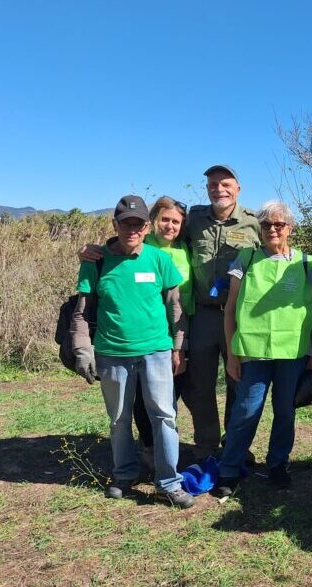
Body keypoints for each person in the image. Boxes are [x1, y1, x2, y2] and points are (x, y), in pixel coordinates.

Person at [79, 165, 260, 460]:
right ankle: (206, 446)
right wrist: (95, 249)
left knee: (239, 380)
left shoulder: (254, 223)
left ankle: (235, 445)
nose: (219, 189)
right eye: (213, 184)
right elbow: (141, 237)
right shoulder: (196, 219)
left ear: (238, 188)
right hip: (200, 315)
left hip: (240, 316)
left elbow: (272, 253)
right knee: (200, 385)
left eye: (225, 184)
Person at [71, 195, 194, 508]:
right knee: (119, 419)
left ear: (146, 226)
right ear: (115, 224)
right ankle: (124, 475)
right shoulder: (96, 262)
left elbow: (175, 308)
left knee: (164, 416)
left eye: (137, 224)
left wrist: (178, 346)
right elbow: (82, 312)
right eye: (125, 223)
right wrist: (82, 349)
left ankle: (169, 482)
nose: (132, 229)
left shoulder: (159, 260)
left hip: (156, 351)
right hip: (112, 353)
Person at [213, 201, 312, 495]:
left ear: (290, 228)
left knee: (285, 411)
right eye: (266, 225)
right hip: (253, 352)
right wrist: (233, 355)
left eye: (279, 224)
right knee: (246, 411)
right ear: (259, 229)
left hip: (293, 354)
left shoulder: (306, 262)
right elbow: (231, 309)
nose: (272, 229)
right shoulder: (245, 259)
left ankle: (277, 465)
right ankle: (229, 470)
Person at [131, 197, 194, 471]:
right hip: (149, 334)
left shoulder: (185, 249)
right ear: (153, 222)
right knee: (142, 396)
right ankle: (149, 446)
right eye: (165, 220)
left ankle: (166, 447)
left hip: (183, 330)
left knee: (171, 394)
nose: (170, 226)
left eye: (176, 222)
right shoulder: (140, 248)